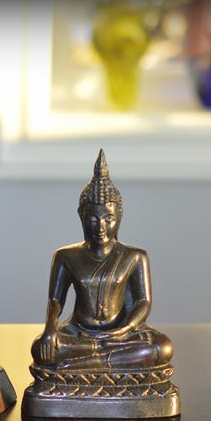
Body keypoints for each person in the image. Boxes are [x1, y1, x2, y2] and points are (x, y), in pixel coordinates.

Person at [31, 150, 173, 370]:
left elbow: (143, 302)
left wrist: (124, 330)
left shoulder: (135, 257)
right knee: (41, 349)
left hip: (121, 334)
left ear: (119, 218)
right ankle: (105, 356)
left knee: (162, 347)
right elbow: (55, 300)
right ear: (82, 217)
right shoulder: (66, 256)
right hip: (79, 332)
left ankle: (90, 361)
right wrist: (50, 328)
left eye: (109, 219)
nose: (101, 227)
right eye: (93, 219)